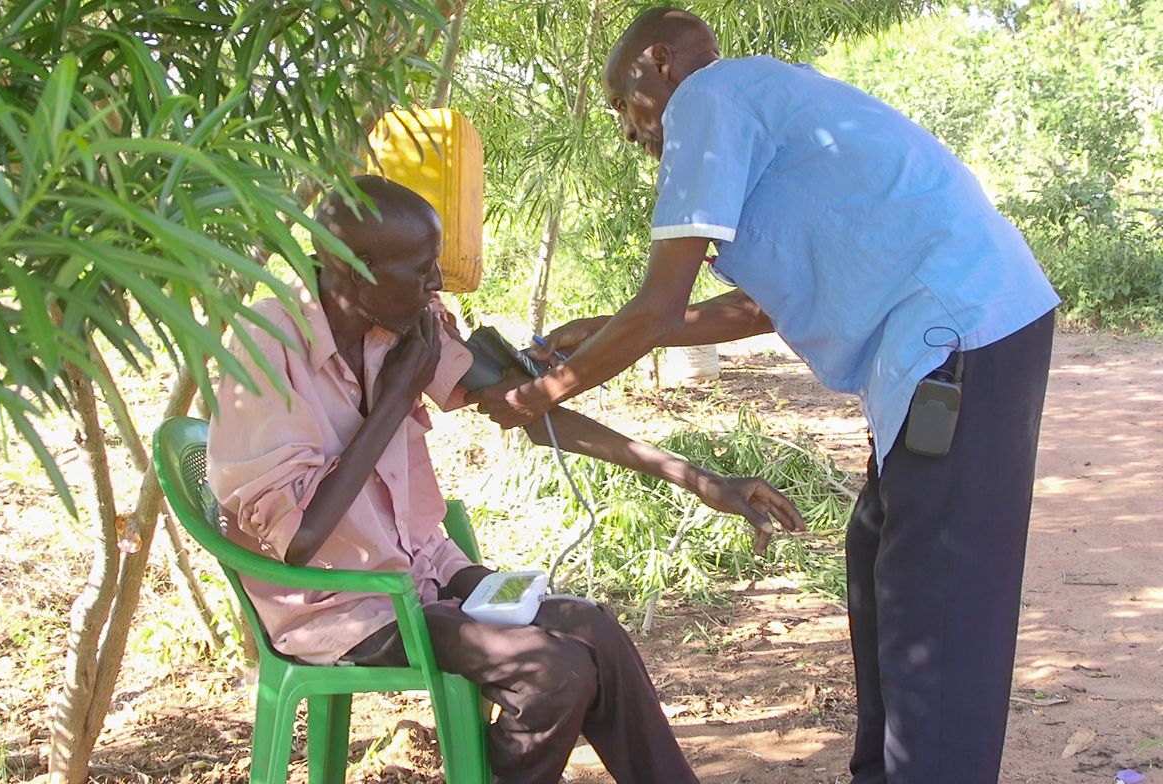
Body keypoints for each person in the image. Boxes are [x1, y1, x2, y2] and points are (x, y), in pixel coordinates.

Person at [467, 7, 1059, 783]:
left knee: (936, 609)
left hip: (961, 338)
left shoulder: (708, 100)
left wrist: (545, 392)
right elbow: (750, 310)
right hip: (955, 342)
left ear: (659, 63)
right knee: (879, 556)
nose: (626, 130)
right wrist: (592, 329)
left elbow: (657, 309)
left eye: (622, 104)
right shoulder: (764, 104)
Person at [207, 175, 805, 784]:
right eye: (421, 269)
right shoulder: (264, 347)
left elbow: (525, 407)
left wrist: (702, 481)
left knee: (594, 631)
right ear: (358, 270)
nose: (437, 282)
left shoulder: (404, 324)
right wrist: (394, 400)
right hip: (342, 602)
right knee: (553, 674)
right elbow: (300, 540)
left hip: (423, 569)